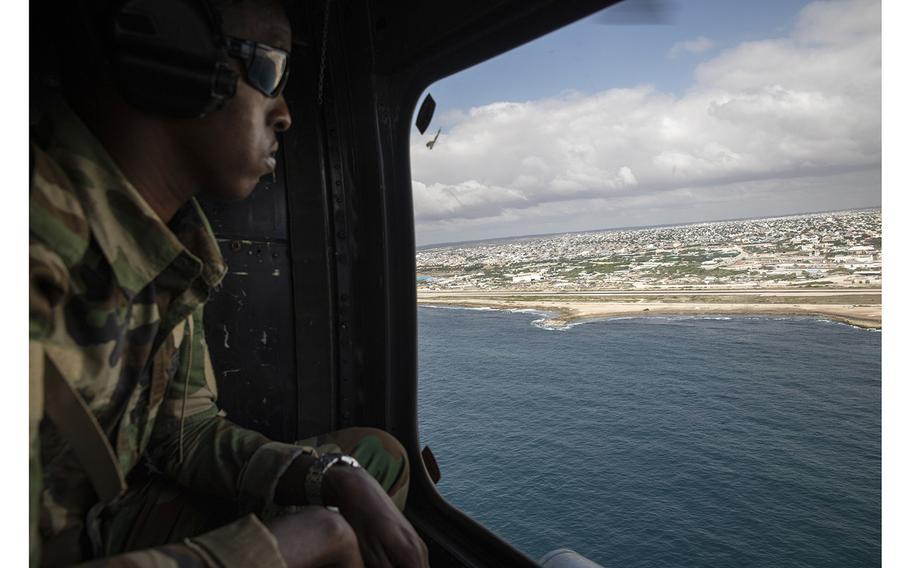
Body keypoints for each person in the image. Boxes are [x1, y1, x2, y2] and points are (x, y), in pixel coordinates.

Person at [28, 0, 429, 566]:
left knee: (375, 462)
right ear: (167, 49)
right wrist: (279, 550)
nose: (285, 113)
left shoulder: (170, 248)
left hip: (108, 518)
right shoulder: (33, 231)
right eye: (270, 72)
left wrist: (333, 477)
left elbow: (184, 432)